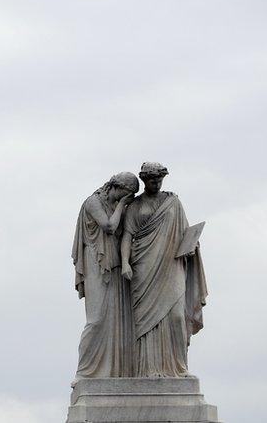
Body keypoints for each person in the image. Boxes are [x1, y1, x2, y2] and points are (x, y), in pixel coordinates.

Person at [121, 162, 208, 377]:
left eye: (160, 180)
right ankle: (148, 369)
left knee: (177, 316)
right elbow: (127, 236)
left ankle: (179, 367)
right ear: (144, 180)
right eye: (152, 180)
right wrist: (124, 262)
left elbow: (185, 232)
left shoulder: (173, 203)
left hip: (171, 264)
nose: (157, 183)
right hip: (143, 266)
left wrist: (191, 245)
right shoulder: (134, 207)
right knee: (146, 322)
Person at [72, 171, 139, 378]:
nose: (127, 200)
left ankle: (115, 371)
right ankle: (84, 372)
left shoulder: (120, 205)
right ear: (116, 187)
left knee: (116, 320)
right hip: (96, 262)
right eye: (127, 194)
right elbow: (109, 227)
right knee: (97, 319)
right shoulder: (93, 202)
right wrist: (122, 205)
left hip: (116, 265)